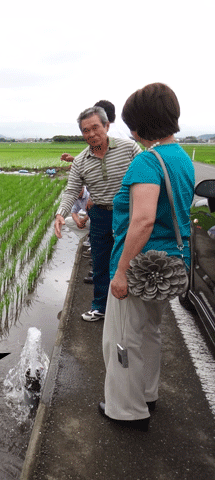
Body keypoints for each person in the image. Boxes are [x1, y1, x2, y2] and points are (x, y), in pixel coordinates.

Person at [99, 83, 194, 430]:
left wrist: (121, 271)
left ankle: (127, 411)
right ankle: (147, 393)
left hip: (141, 268)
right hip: (168, 265)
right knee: (151, 332)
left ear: (140, 125)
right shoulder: (181, 157)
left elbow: (143, 220)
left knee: (121, 339)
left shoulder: (146, 161)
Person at [54, 106, 142, 322]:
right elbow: (72, 189)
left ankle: (131, 308)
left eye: (95, 127)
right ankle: (100, 306)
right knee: (100, 262)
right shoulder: (81, 161)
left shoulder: (129, 147)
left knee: (131, 259)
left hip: (128, 214)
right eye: (85, 130)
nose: (91, 134)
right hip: (100, 214)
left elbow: (145, 175)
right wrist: (60, 213)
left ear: (106, 126)